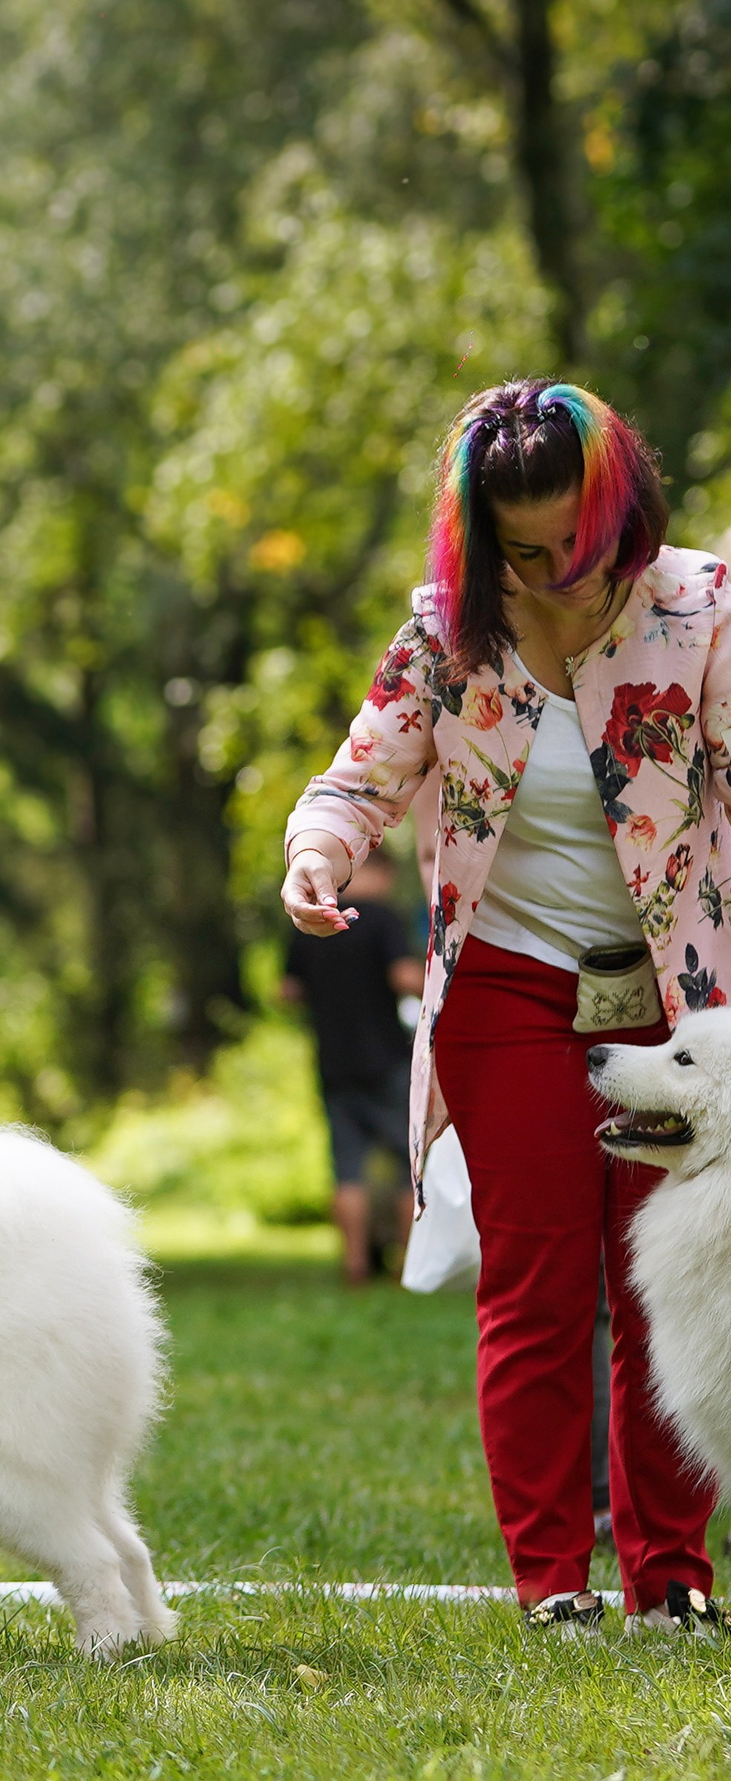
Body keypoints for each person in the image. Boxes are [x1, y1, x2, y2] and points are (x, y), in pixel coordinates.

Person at [281, 376, 728, 1634]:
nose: (555, 575)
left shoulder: (702, 607)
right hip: (508, 985)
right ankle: (550, 1582)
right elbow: (354, 782)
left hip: (676, 996)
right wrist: (315, 856)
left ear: (619, 512)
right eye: (521, 552)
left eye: (575, 545)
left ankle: (670, 1576)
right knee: (537, 1281)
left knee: (669, 1279)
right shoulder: (444, 633)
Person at [282, 847, 423, 1284]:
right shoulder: (382, 918)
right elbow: (403, 977)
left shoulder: (311, 921)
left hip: (334, 1061)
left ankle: (355, 1265)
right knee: (407, 1166)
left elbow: (287, 991)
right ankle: (408, 1267)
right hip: (386, 1059)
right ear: (377, 872)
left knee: (347, 1168)